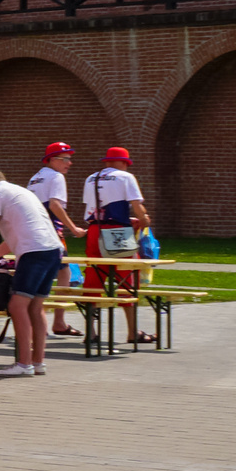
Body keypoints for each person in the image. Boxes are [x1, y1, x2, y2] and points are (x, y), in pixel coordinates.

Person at [0, 167, 65, 378]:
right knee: (36, 306)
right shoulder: (21, 192)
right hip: (53, 250)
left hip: (34, 252)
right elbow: (16, 236)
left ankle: (24, 364)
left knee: (17, 304)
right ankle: (38, 362)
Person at [82, 146, 154, 347]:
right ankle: (133, 332)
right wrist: (144, 220)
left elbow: (97, 209)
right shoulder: (125, 177)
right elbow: (137, 205)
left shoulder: (91, 178)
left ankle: (91, 332)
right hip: (118, 233)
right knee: (127, 279)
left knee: (93, 278)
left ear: (107, 161)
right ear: (124, 163)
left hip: (94, 231)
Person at [27, 143, 80, 339]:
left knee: (38, 274)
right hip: (51, 233)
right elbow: (55, 205)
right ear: (52, 159)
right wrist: (73, 227)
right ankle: (58, 321)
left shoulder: (35, 178)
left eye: (69, 158)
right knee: (64, 271)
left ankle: (38, 321)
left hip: (33, 231)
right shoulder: (57, 177)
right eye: (65, 159)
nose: (69, 163)